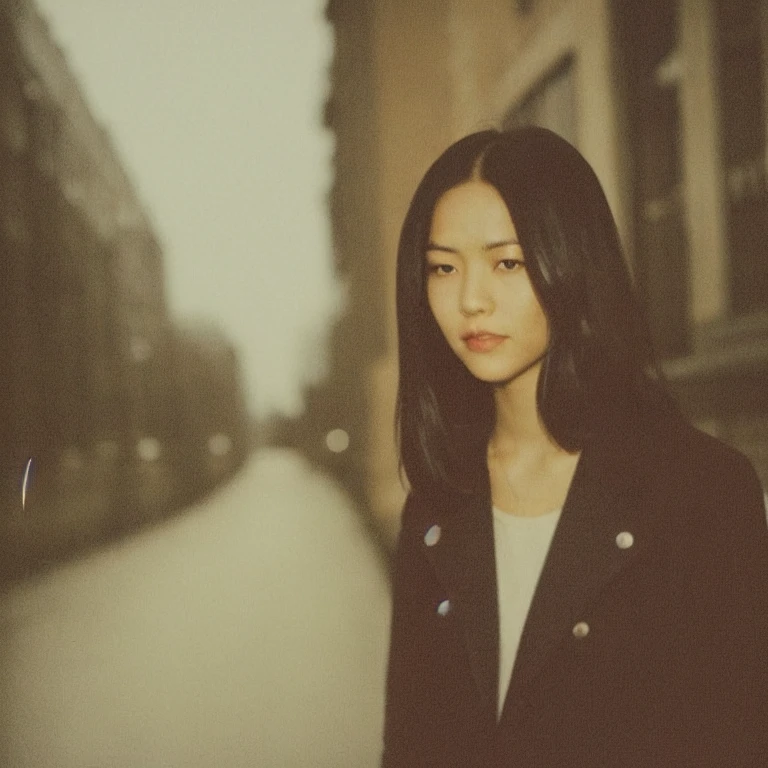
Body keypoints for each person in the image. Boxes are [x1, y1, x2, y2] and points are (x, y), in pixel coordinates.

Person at [382, 126, 768, 767]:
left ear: (573, 263)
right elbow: (409, 748)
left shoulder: (701, 490)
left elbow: (737, 739)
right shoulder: (435, 507)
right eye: (443, 267)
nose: (470, 300)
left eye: (508, 262)